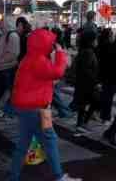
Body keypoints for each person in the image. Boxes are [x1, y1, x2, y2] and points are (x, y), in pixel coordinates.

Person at [9, 28, 80, 181]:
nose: (52, 45)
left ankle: (13, 178)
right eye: (50, 43)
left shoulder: (30, 58)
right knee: (50, 140)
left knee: (23, 145)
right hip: (37, 108)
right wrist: (60, 54)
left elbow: (46, 78)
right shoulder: (38, 60)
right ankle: (59, 176)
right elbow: (57, 73)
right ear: (43, 44)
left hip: (27, 107)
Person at [74, 31, 99, 133]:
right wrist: (95, 81)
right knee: (95, 102)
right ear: (91, 41)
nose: (97, 41)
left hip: (83, 83)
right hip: (87, 83)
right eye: (95, 39)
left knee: (84, 103)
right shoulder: (88, 52)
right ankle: (82, 123)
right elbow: (87, 69)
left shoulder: (84, 50)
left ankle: (82, 123)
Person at [96, 28, 116, 124]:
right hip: (110, 74)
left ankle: (102, 114)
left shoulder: (99, 46)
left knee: (104, 95)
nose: (113, 36)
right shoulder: (110, 46)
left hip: (102, 74)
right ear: (109, 36)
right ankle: (106, 116)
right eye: (112, 34)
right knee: (108, 96)